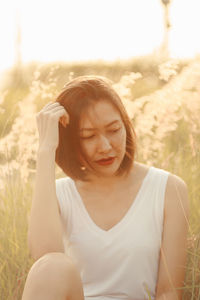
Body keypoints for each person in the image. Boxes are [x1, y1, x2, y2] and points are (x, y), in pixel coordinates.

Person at [21, 75, 189, 300]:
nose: (106, 146)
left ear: (125, 126)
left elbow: (169, 292)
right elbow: (44, 259)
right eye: (88, 136)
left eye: (113, 130)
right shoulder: (60, 193)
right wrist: (46, 150)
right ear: (71, 140)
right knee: (53, 266)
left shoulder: (168, 189)